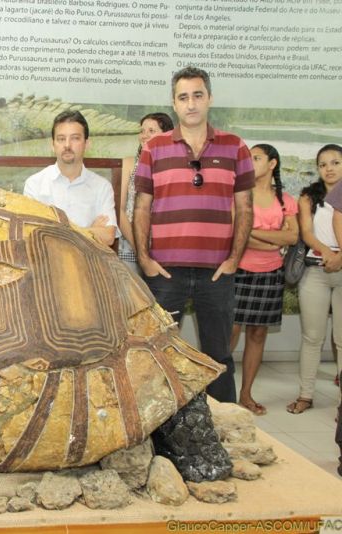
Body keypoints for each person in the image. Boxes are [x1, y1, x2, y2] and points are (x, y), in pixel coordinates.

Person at [133, 66, 255, 403]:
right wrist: (144, 258)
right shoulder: (154, 148)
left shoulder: (235, 147)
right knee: (157, 355)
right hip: (165, 272)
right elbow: (141, 207)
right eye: (183, 97)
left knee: (219, 358)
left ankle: (223, 433)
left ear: (209, 99)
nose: (191, 104)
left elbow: (245, 208)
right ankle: (158, 436)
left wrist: (233, 260)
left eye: (197, 95)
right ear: (174, 103)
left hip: (217, 273)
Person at [229, 144, 298, 415]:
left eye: (256, 157)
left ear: (272, 164)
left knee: (258, 334)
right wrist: (272, 239)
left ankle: (246, 394)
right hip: (238, 270)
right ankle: (217, 394)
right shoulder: (239, 194)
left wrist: (255, 235)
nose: (250, 161)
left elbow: (292, 237)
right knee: (229, 334)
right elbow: (237, 233)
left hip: (271, 273)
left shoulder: (285, 200)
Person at [289, 144, 342, 414]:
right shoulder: (309, 197)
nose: (329, 169)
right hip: (315, 270)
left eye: (335, 162)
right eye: (323, 164)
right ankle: (306, 395)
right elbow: (306, 234)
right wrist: (329, 254)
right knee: (312, 337)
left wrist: (340, 257)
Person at [23, 110, 116, 246]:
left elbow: (108, 236)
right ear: (53, 145)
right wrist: (89, 231)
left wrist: (54, 232)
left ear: (87, 144)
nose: (67, 145)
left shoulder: (102, 186)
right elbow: (30, 234)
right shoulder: (34, 184)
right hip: (47, 266)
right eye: (61, 139)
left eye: (75, 138)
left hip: (89, 266)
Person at [118, 112, 174, 270]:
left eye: (151, 131)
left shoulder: (175, 168)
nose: (144, 135)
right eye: (142, 131)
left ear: (167, 135)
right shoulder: (129, 164)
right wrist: (140, 250)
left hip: (164, 250)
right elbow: (119, 210)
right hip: (129, 245)